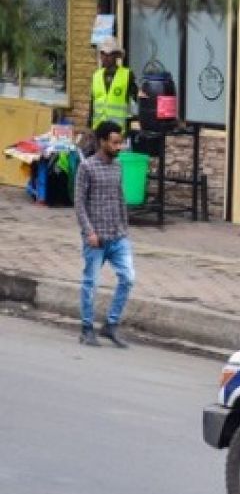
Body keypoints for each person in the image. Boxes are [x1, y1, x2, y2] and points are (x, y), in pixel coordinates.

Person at [75, 122, 135, 348]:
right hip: (95, 238)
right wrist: (89, 232)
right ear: (102, 142)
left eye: (120, 142)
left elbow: (120, 198)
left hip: (118, 236)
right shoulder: (87, 168)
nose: (119, 146)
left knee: (128, 278)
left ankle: (111, 325)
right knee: (91, 283)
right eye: (115, 142)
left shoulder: (118, 167)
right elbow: (79, 203)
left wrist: (124, 228)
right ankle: (87, 328)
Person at [89, 37, 135, 133]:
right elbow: (92, 103)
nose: (105, 57)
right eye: (103, 54)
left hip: (117, 130)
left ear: (116, 56)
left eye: (109, 54)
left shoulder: (127, 75)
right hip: (99, 129)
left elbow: (134, 100)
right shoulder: (96, 76)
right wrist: (89, 126)